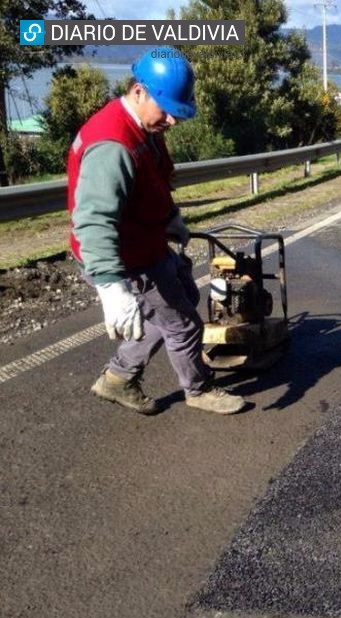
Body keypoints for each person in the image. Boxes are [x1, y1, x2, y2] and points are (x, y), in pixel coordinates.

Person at [68, 47, 246, 415]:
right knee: (183, 324)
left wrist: (171, 218)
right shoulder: (113, 145)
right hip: (123, 257)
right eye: (165, 110)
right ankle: (197, 390)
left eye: (177, 112)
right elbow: (94, 221)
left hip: (145, 242)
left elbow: (149, 183)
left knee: (172, 306)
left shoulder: (142, 127)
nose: (172, 121)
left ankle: (117, 379)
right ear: (138, 91)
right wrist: (112, 287)